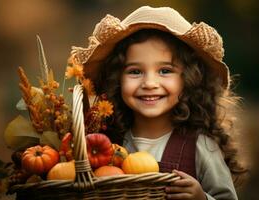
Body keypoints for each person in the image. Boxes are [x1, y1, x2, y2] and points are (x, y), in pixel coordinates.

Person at [71, 6, 247, 200]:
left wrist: (201, 198)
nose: (149, 84)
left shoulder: (201, 146)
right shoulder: (108, 144)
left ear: (188, 79)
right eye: (135, 71)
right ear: (117, 79)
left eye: (165, 71)